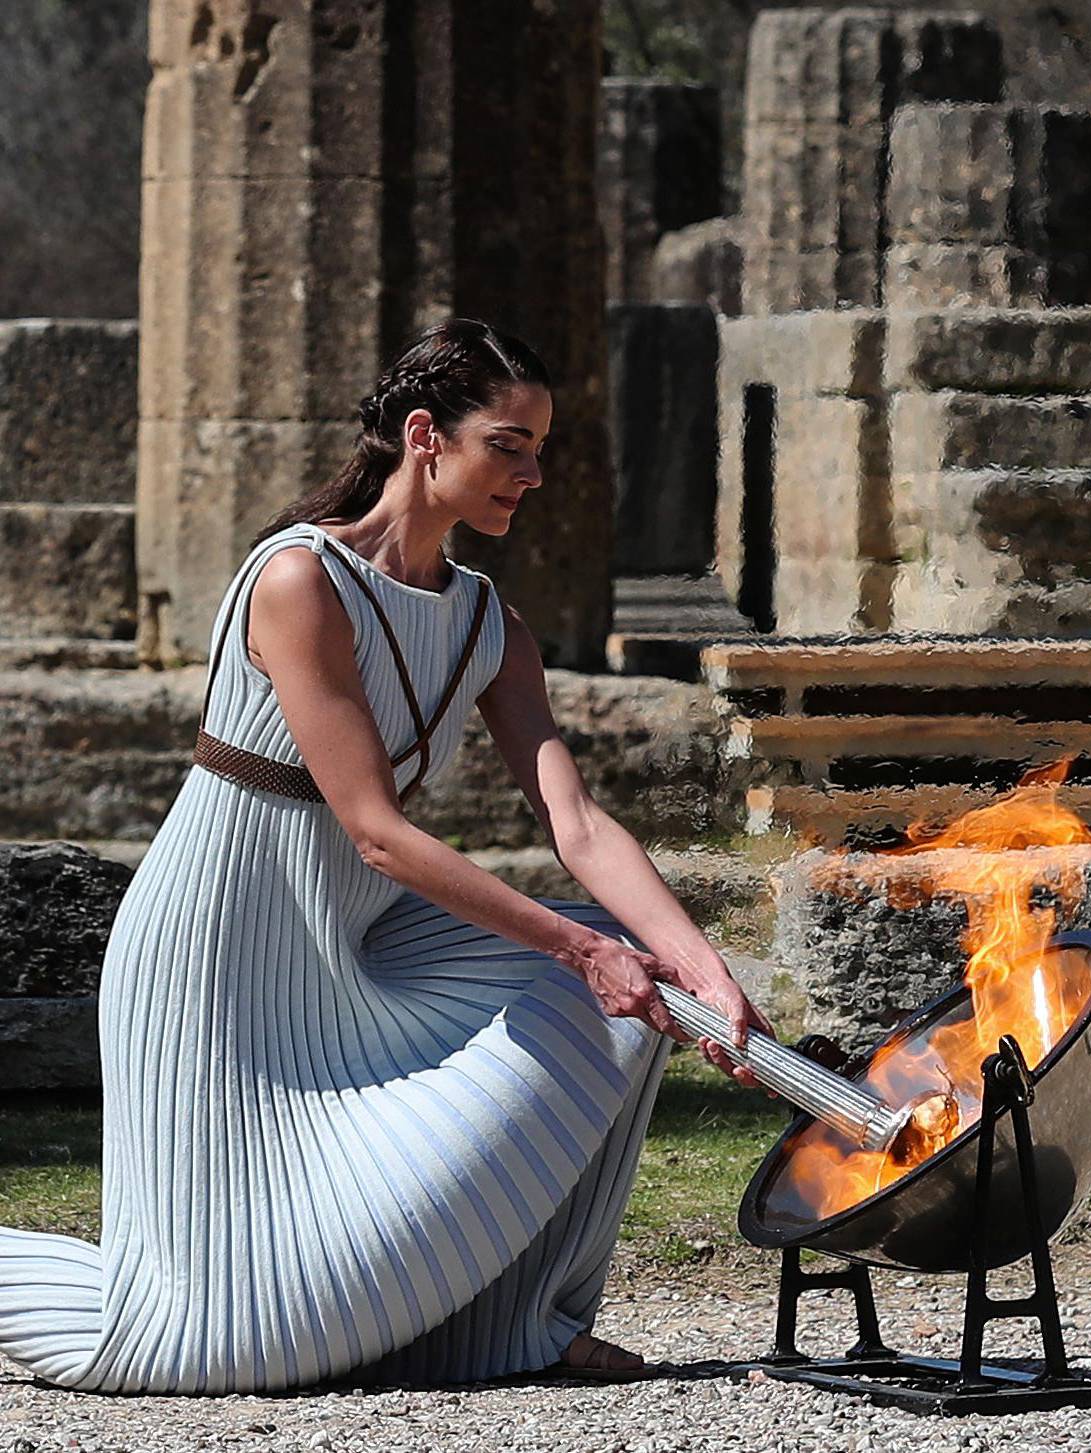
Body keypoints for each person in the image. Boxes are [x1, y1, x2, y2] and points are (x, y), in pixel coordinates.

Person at [0, 319, 770, 1392]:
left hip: (355, 946)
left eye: (541, 450)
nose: (533, 474)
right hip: (220, 954)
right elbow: (371, 827)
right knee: (204, 1345)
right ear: (425, 436)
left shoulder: (489, 621)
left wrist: (700, 970)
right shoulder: (298, 580)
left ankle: (515, 1326)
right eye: (509, 444)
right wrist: (582, 950)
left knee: (627, 990)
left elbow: (578, 821)